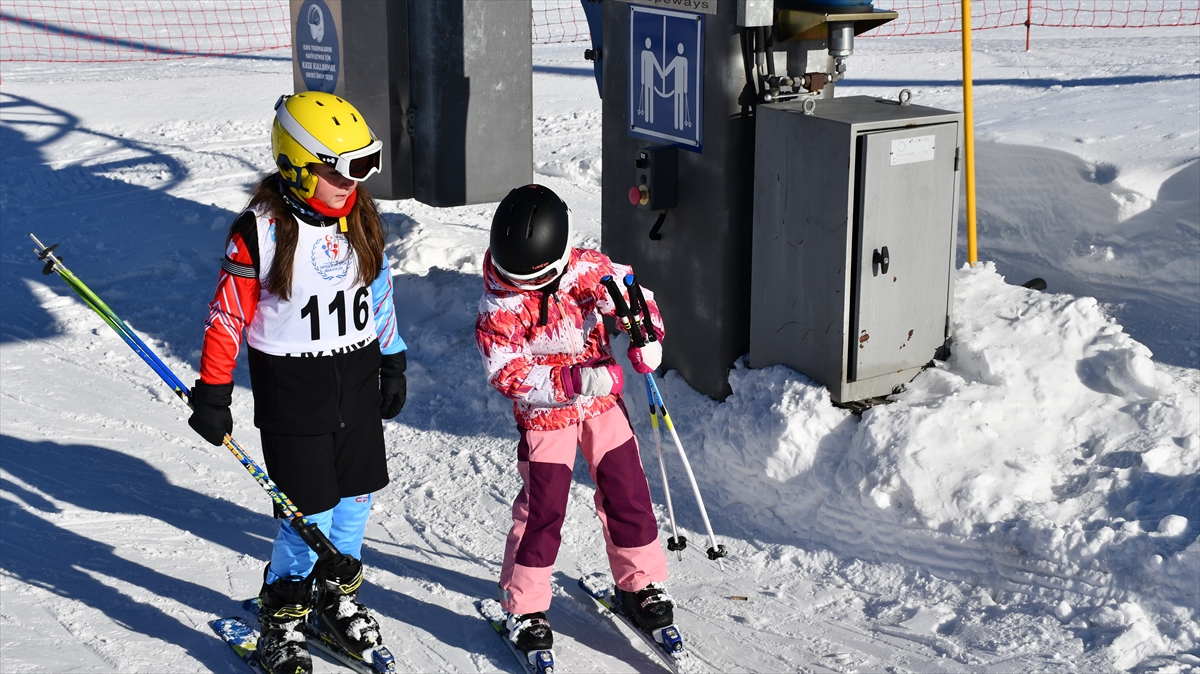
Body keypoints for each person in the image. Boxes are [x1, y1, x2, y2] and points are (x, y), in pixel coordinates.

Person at [187, 91, 407, 674]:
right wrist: (213, 390)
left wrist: (393, 357)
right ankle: (282, 615)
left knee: (356, 496)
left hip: (356, 377)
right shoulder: (258, 232)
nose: (352, 182)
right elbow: (226, 315)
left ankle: (335, 599)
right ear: (296, 165)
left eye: (364, 166)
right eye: (340, 170)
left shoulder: (360, 216)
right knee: (306, 512)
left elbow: (377, 294)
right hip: (294, 391)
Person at [475, 184, 675, 655]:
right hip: (547, 418)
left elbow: (633, 299)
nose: (521, 285)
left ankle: (639, 584)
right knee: (544, 509)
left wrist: (646, 336)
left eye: (535, 277)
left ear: (561, 259)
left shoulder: (589, 270)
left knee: (628, 491)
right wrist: (572, 381)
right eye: (513, 275)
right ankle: (523, 607)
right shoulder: (499, 302)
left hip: (602, 406)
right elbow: (505, 371)